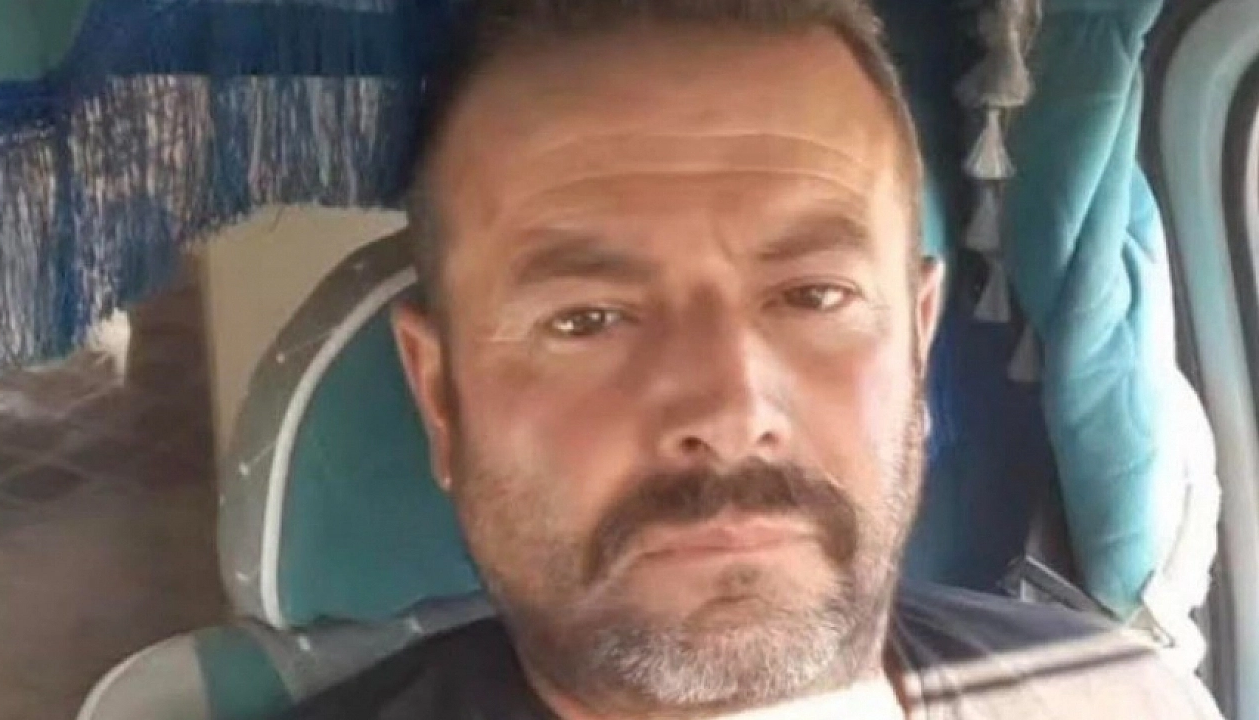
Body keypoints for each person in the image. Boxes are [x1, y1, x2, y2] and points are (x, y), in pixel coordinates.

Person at [284, 1, 1222, 718]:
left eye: (814, 296)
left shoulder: (1129, 698)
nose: (732, 411)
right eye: (589, 319)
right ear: (441, 397)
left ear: (916, 343)